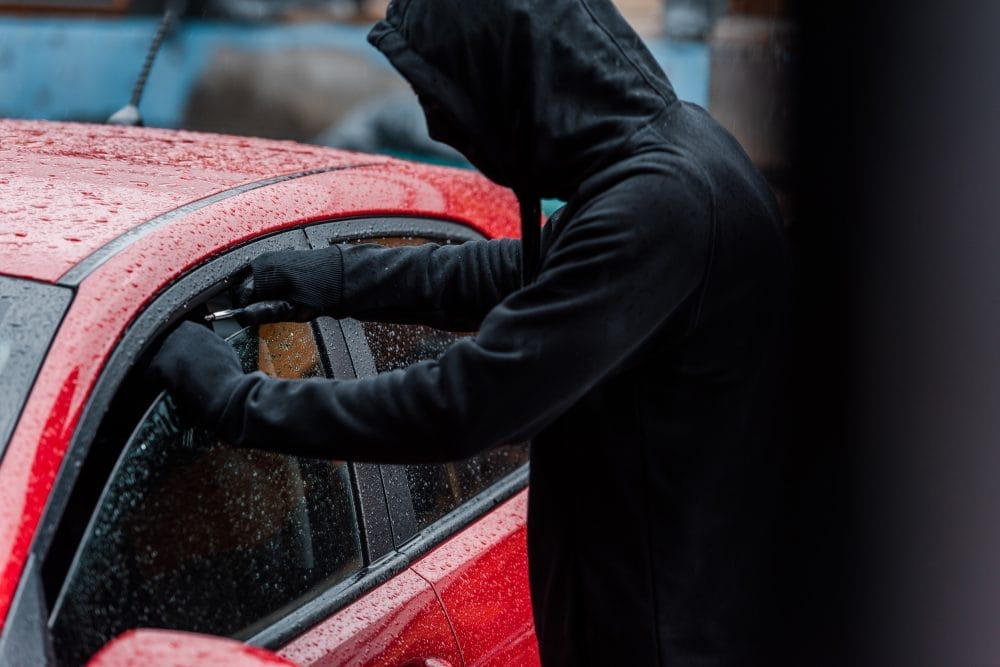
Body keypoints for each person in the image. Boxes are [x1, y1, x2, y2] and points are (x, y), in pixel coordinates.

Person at [150, 0, 791, 664]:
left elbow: (463, 405)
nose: (437, 126)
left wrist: (237, 402)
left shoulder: (658, 206)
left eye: (445, 101)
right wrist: (333, 278)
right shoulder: (673, 154)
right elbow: (514, 274)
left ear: (510, 82)